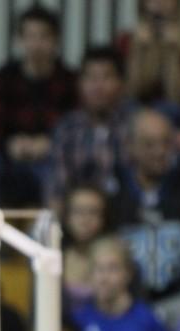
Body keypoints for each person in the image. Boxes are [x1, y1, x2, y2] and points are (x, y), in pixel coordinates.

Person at [0, 4, 78, 207]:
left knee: (61, 168)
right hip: (7, 160)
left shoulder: (70, 81)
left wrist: (49, 144)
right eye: (30, 36)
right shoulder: (2, 78)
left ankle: (51, 234)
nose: (36, 44)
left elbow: (76, 129)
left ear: (56, 40)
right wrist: (9, 145)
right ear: (19, 40)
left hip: (51, 159)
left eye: (43, 36)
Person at [109, 108, 180, 330]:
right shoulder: (113, 201)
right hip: (127, 305)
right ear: (130, 146)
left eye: (166, 143)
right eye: (149, 144)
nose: (160, 151)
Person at [46, 46, 131, 210]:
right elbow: (57, 188)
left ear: (121, 83)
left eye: (107, 77)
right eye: (91, 78)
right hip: (80, 220)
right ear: (80, 83)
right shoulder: (67, 128)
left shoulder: (135, 125)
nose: (98, 86)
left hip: (127, 219)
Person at [116, 0, 180, 125]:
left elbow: (179, 97)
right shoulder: (127, 40)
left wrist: (174, 53)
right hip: (139, 111)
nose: (158, 2)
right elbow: (130, 91)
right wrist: (139, 52)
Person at [61, 184, 110, 312]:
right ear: (66, 217)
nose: (85, 220)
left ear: (104, 218)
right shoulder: (53, 258)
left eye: (93, 212)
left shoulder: (116, 259)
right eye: (78, 211)